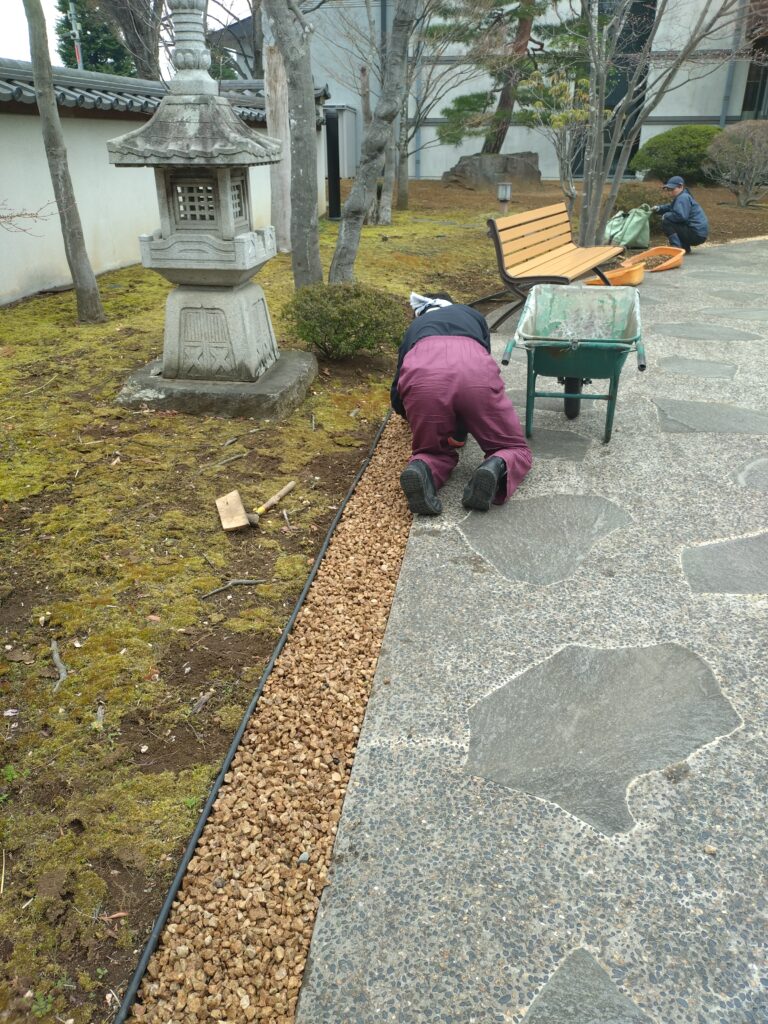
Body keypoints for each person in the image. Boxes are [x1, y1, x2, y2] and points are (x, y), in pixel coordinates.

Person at [391, 291, 532, 516]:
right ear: (450, 304)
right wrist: (464, 424)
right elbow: (480, 367)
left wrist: (411, 416)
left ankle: (422, 467)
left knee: (431, 451)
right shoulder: (471, 314)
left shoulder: (415, 327)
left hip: (423, 374)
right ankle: (496, 465)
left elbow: (398, 390)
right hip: (473, 368)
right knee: (513, 447)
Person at [652, 176, 709, 253]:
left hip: (696, 234)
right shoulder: (683, 196)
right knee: (675, 220)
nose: (670, 192)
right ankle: (684, 248)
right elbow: (671, 207)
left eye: (672, 189)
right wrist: (659, 208)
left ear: (680, 186)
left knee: (667, 220)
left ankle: (676, 248)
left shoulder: (683, 197)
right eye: (668, 189)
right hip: (699, 234)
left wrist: (665, 215)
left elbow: (681, 216)